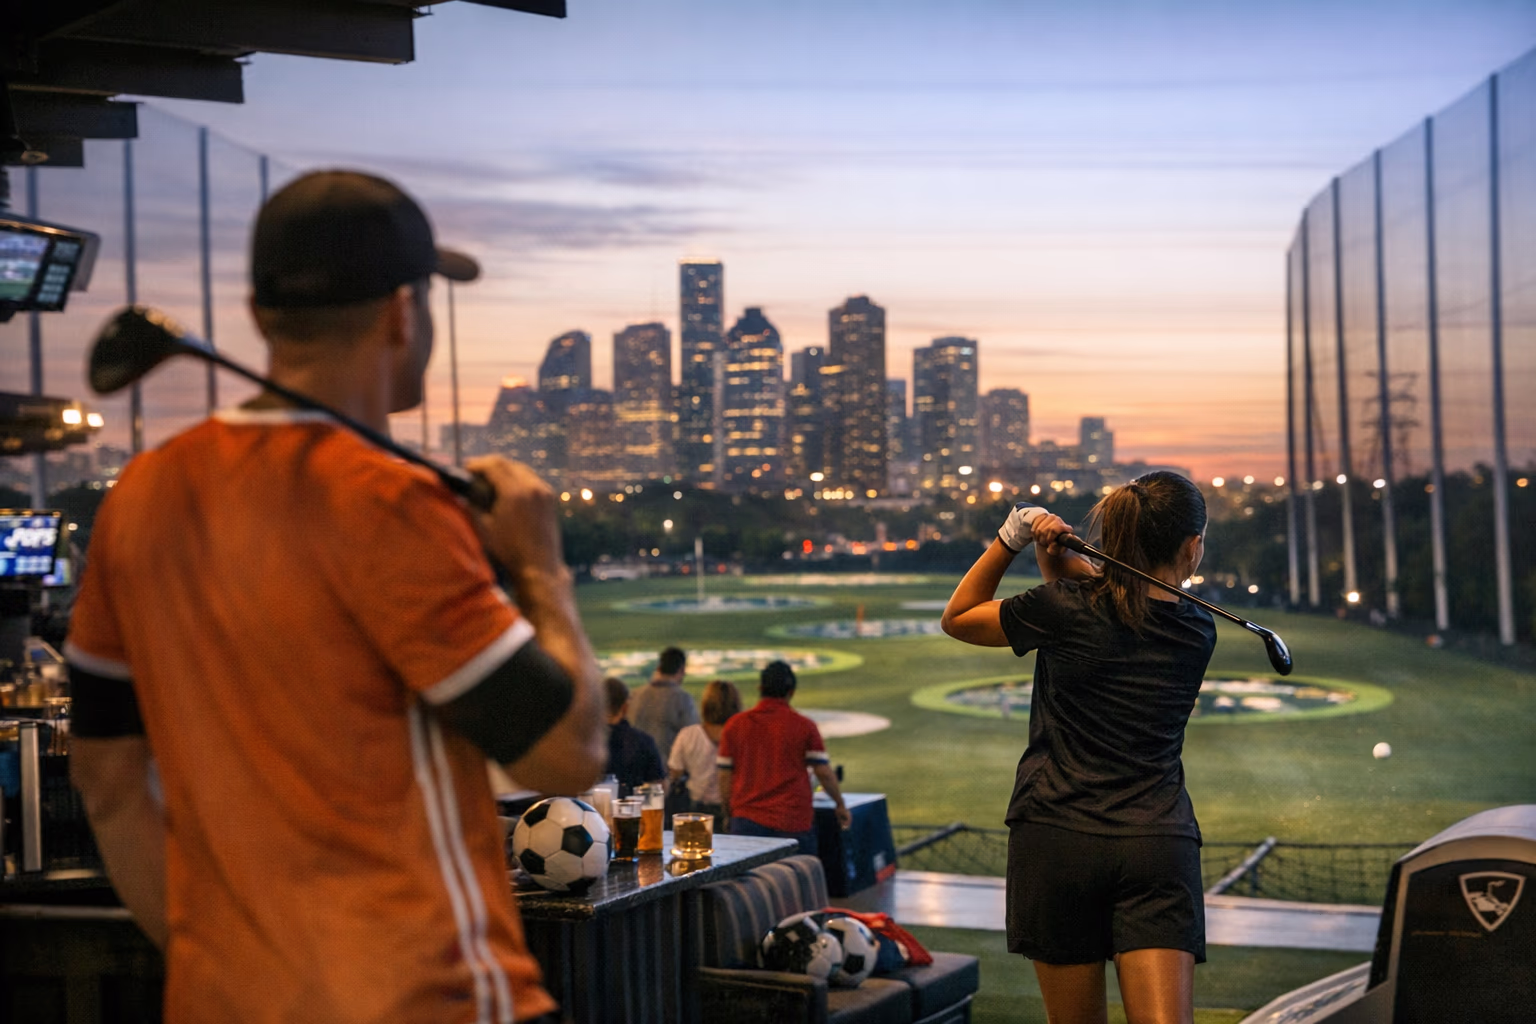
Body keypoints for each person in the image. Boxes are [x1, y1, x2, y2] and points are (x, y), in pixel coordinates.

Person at [64, 170, 606, 1024]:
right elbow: (567, 756)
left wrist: (230, 964)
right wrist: (543, 568)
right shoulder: (391, 504)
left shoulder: (138, 497)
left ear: (260, 315)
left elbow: (105, 778)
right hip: (431, 1000)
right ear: (403, 313)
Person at [940, 473, 1216, 1024]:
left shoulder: (1064, 608)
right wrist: (1058, 557)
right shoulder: (1197, 629)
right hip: (1155, 845)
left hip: (1056, 837)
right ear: (1192, 547)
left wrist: (1011, 538)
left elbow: (960, 617)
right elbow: (1101, 601)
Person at [717, 661, 851, 855]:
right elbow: (824, 772)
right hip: (792, 821)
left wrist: (728, 812)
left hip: (746, 821)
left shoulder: (735, 725)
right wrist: (840, 805)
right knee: (796, 882)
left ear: (760, 688)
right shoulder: (804, 726)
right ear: (791, 692)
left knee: (749, 884)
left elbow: (724, 777)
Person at [666, 679, 742, 827]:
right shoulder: (742, 735)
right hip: (734, 808)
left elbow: (675, 772)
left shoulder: (688, 735)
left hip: (696, 808)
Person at [627, 645, 698, 764]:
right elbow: (691, 741)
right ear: (681, 670)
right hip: (665, 773)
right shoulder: (682, 699)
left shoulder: (635, 696)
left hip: (634, 771)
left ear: (659, 668)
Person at [604, 677, 665, 794]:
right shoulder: (643, 741)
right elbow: (658, 785)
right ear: (625, 707)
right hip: (635, 810)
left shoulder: (583, 743)